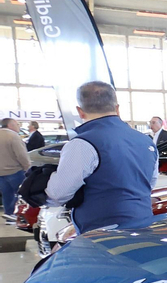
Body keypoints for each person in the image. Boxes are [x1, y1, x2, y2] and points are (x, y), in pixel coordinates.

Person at [46, 81, 158, 232]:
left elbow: (58, 194)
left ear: (80, 111)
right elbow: (149, 183)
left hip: (101, 233)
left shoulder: (82, 144)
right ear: (117, 108)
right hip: (143, 225)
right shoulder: (146, 141)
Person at [0, 118, 30, 217]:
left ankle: (9, 214)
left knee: (6, 195)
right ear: (10, 125)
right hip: (15, 171)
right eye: (17, 124)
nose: (19, 127)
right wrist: (27, 167)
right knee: (22, 194)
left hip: (1, 173)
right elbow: (21, 155)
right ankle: (19, 215)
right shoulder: (13, 136)